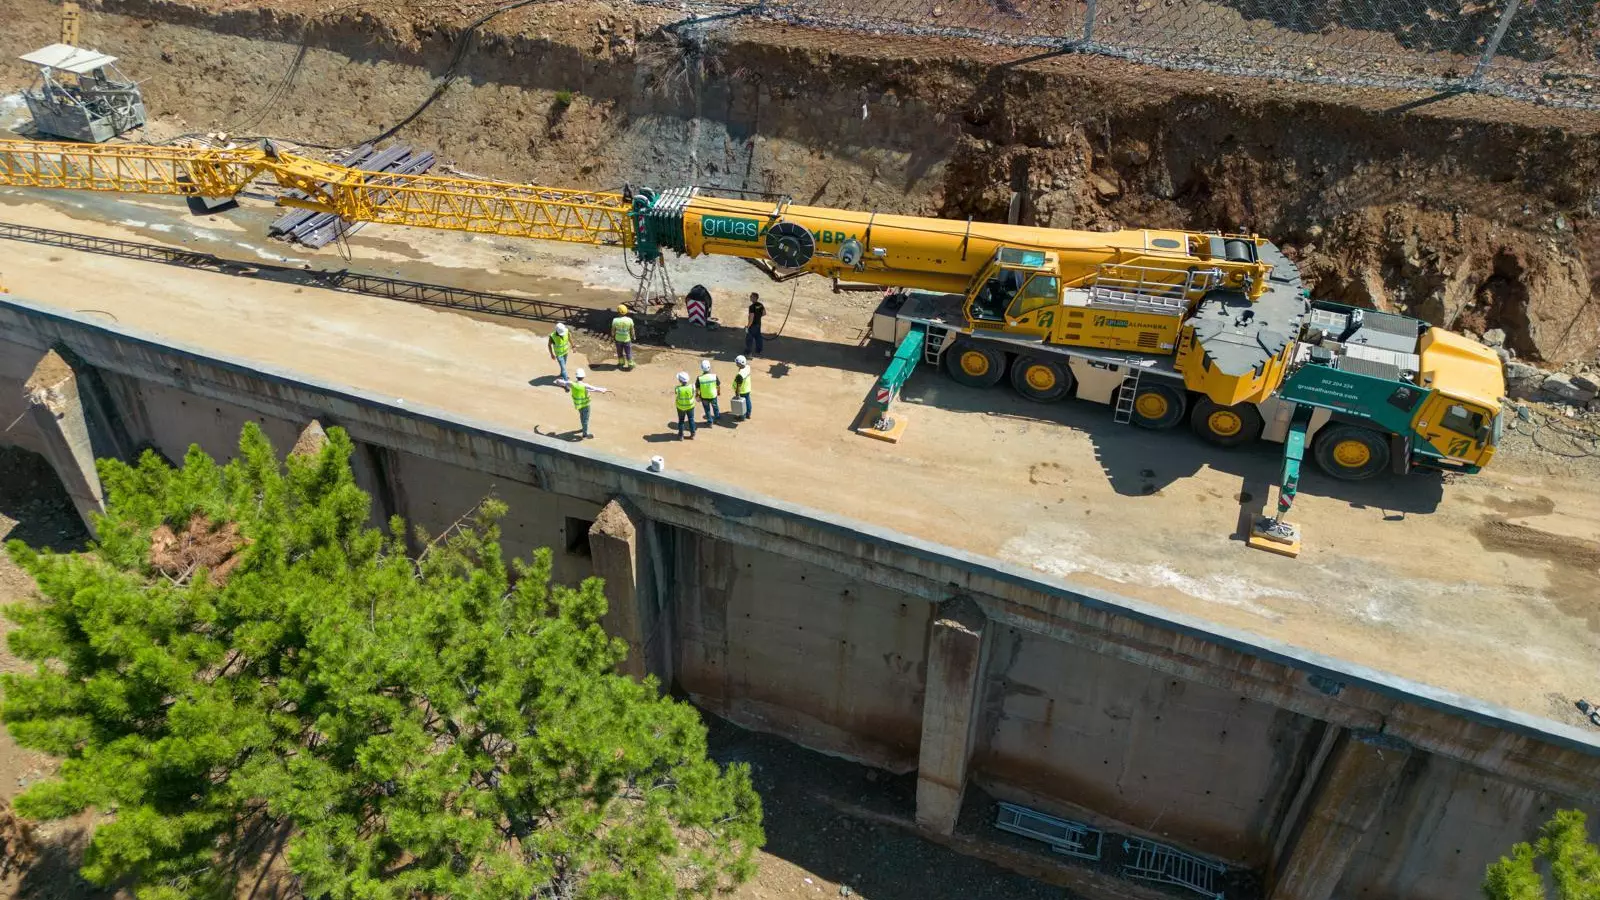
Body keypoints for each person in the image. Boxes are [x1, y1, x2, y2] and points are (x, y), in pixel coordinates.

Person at [565, 369, 609, 439]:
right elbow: (595, 389)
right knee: (585, 419)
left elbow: (563, 382)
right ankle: (585, 434)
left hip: (578, 405)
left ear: (576, 376)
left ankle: (583, 428)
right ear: (583, 377)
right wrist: (603, 390)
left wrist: (558, 381)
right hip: (585, 405)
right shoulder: (585, 385)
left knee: (582, 417)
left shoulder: (573, 384)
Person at [696, 358, 721, 425]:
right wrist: (718, 392)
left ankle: (709, 422)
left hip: (704, 397)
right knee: (715, 407)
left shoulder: (699, 378)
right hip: (713, 395)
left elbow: (697, 388)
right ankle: (717, 419)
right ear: (709, 367)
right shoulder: (714, 376)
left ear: (701, 368)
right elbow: (718, 385)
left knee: (707, 409)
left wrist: (697, 396)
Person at [612, 304, 636, 370]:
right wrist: (633, 336)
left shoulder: (615, 320)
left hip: (618, 339)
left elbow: (613, 330)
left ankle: (621, 363)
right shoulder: (630, 320)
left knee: (619, 352)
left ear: (618, 312)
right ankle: (630, 364)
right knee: (628, 352)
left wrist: (613, 336)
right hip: (627, 340)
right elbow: (632, 330)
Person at [673, 371, 697, 439]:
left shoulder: (677, 388)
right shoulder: (692, 386)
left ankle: (681, 436)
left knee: (681, 421)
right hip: (690, 406)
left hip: (680, 407)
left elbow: (676, 393)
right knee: (691, 419)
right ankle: (693, 433)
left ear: (680, 380)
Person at [745, 292, 766, 356]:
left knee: (749, 338)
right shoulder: (760, 305)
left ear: (754, 298)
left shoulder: (752, 307)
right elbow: (764, 313)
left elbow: (751, 318)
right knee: (758, 337)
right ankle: (758, 350)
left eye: (751, 296)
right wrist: (758, 317)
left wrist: (748, 326)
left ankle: (748, 352)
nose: (750, 297)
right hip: (758, 324)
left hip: (753, 325)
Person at [733, 354, 753, 420]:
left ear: (739, 364)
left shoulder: (740, 375)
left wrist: (737, 394)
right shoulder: (747, 367)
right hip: (747, 388)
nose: (736, 363)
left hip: (742, 390)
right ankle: (748, 414)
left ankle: (742, 416)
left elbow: (738, 386)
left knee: (742, 404)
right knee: (747, 401)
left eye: (737, 362)